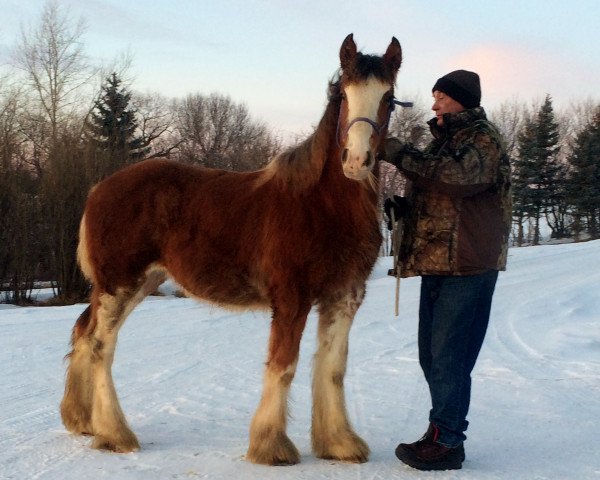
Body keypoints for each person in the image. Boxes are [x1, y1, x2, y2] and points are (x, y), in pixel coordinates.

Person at [383, 69, 512, 471]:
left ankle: (449, 442)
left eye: (441, 97)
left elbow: (460, 179)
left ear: (460, 100)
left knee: (450, 357)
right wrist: (406, 209)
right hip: (440, 263)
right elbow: (442, 193)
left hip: (468, 266)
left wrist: (398, 151)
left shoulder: (482, 139)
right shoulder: (448, 142)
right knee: (432, 356)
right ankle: (441, 430)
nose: (435, 104)